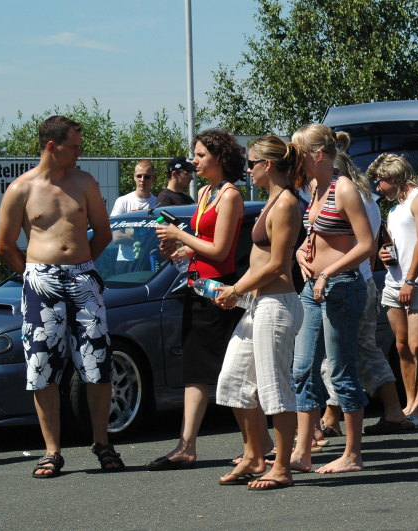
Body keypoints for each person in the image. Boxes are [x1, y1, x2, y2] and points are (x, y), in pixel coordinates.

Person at [0, 115, 123, 477]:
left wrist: (82, 266)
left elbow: (103, 232)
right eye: (74, 146)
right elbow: (5, 244)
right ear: (52, 146)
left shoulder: (84, 182)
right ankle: (52, 451)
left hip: (83, 277)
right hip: (41, 280)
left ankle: (103, 443)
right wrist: (33, 274)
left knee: (97, 363)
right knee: (42, 366)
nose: (79, 153)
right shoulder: (21, 188)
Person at [211, 135, 304, 490]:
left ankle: (282, 467)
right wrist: (236, 292)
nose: (248, 170)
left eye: (252, 164)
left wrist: (236, 289)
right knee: (233, 382)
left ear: (268, 165)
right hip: (257, 304)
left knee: (274, 388)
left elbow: (278, 263)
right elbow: (259, 262)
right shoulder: (271, 200)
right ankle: (253, 456)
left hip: (277, 306)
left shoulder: (286, 204)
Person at [147, 129, 245, 470]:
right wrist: (176, 248)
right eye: (195, 154)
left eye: (201, 155)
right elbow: (199, 244)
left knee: (228, 371)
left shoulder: (230, 195)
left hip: (220, 291)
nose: (195, 161)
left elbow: (220, 250)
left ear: (219, 157)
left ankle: (257, 444)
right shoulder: (205, 192)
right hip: (197, 286)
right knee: (195, 370)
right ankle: (186, 445)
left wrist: (180, 234)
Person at [290, 124, 375, 474]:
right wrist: (300, 252)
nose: (294, 159)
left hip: (341, 287)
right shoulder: (315, 188)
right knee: (302, 369)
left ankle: (352, 455)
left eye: (298, 153)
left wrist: (327, 272)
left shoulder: (344, 189)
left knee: (341, 372)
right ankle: (302, 450)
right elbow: (315, 235)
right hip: (313, 289)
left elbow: (366, 245)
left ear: (318, 155)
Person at [319, 152, 410, 437]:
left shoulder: (345, 196)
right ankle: (391, 410)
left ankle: (332, 418)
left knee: (336, 353)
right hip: (364, 280)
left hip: (345, 281)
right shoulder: (368, 199)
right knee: (364, 350)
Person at [370, 154, 418, 428]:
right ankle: (409, 405)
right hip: (393, 282)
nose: (378, 187)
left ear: (394, 177)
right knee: (401, 346)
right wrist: (384, 252)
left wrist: (411, 281)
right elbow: (396, 243)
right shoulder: (396, 207)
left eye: (380, 181)